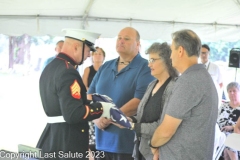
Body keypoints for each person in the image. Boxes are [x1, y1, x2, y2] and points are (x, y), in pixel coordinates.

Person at [36, 29, 116, 160]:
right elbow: (73, 114)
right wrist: (102, 108)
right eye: (88, 50)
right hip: (67, 142)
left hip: (53, 137)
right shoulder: (68, 71)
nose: (89, 55)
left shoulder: (51, 67)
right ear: (76, 47)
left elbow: (74, 102)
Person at [150, 29, 218, 160]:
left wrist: (153, 144)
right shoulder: (202, 77)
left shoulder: (189, 81)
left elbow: (166, 131)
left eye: (172, 51)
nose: (170, 56)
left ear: (180, 51)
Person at [87, 27, 154, 160]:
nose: (121, 41)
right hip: (101, 143)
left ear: (138, 44)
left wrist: (110, 117)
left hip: (127, 144)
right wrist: (95, 118)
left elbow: (139, 101)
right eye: (119, 38)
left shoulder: (145, 67)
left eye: (127, 39)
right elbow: (89, 96)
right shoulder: (106, 66)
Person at [127, 42, 178, 160]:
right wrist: (130, 120)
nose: (149, 65)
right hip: (141, 149)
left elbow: (163, 126)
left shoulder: (174, 87)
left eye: (153, 60)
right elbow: (143, 116)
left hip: (158, 153)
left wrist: (134, 126)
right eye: (149, 60)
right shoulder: (152, 84)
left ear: (167, 61)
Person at [82, 47, 106, 153]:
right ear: (92, 56)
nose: (97, 55)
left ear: (104, 57)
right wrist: (93, 93)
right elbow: (84, 86)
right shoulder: (88, 69)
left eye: (100, 53)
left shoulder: (107, 69)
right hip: (91, 100)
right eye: (95, 53)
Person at [217, 82, 240, 160]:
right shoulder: (223, 105)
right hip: (220, 133)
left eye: (234, 90)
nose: (232, 93)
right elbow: (217, 120)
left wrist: (232, 127)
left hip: (236, 134)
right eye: (230, 91)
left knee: (229, 138)